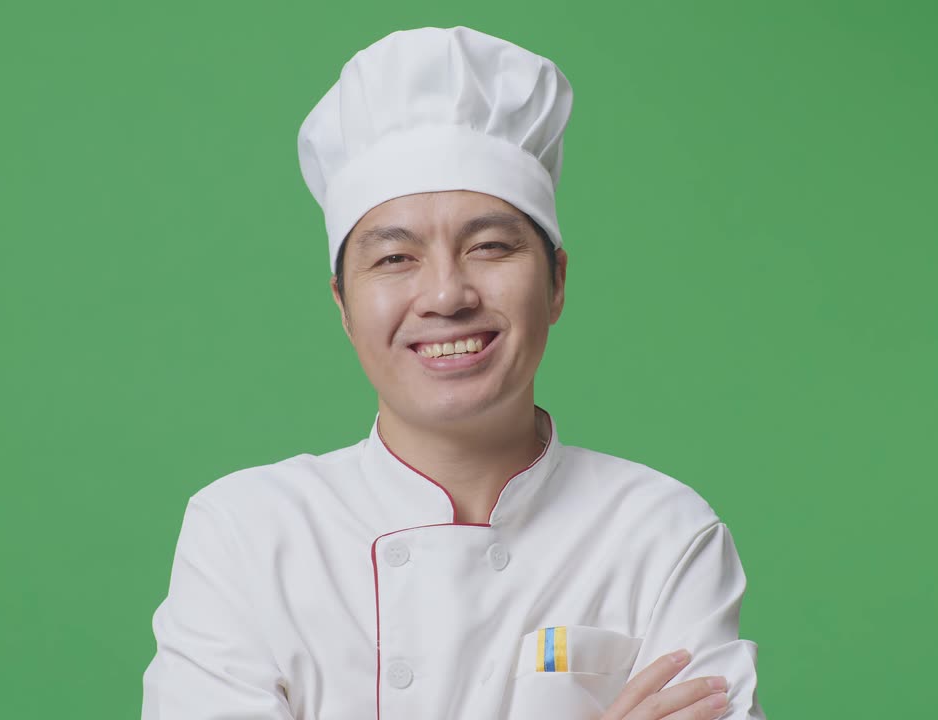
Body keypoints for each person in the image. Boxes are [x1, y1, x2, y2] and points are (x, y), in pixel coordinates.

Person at [141, 26, 766, 720]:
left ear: (556, 282)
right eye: (394, 259)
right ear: (343, 305)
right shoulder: (247, 534)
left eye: (491, 246)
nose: (447, 295)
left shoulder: (661, 534)